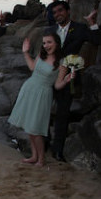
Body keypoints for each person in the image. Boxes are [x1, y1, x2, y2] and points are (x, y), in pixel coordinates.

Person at [8, 32, 74, 166]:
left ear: (57, 43)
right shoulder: (41, 55)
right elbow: (32, 67)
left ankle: (41, 158)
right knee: (29, 126)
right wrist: (25, 52)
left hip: (43, 94)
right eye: (44, 43)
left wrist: (67, 80)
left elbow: (57, 84)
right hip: (29, 89)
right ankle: (34, 156)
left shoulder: (62, 62)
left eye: (49, 42)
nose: (46, 45)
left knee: (36, 128)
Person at [49, 0, 101, 161]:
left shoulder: (80, 28)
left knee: (62, 114)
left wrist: (92, 23)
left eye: (60, 11)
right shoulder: (49, 30)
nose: (58, 14)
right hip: (49, 76)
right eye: (55, 12)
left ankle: (58, 150)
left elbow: (97, 40)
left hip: (68, 77)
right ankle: (43, 144)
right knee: (44, 111)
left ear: (68, 11)